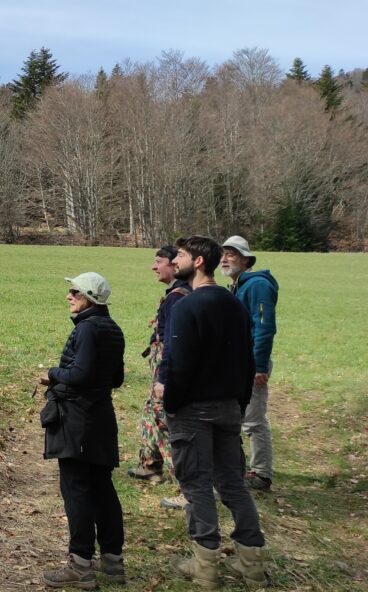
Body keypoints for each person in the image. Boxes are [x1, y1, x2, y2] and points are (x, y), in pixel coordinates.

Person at [161, 235, 266, 588]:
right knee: (233, 483)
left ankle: (206, 567)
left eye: (180, 256)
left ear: (199, 262)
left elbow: (178, 364)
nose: (174, 261)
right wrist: (238, 403)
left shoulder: (187, 307)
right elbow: (248, 360)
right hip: (228, 408)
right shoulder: (234, 304)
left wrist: (171, 403)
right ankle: (251, 563)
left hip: (193, 409)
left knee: (196, 485)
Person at [40, 272, 126, 589]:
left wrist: (51, 373)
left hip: (78, 419)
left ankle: (80, 565)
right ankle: (113, 562)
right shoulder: (113, 328)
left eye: (74, 291)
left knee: (76, 490)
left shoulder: (88, 329)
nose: (68, 296)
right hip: (102, 416)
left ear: (88, 297)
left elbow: (80, 373)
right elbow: (115, 379)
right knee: (103, 489)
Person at [128, 245, 190, 490]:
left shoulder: (179, 297)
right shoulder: (176, 294)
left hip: (167, 369)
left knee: (162, 416)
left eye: (158, 261)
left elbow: (173, 342)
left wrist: (164, 378)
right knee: (150, 412)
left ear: (174, 264)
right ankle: (151, 464)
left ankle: (185, 482)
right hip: (162, 368)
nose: (154, 267)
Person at [221, 235, 279, 492]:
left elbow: (265, 327)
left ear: (246, 260)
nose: (225, 259)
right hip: (239, 364)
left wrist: (260, 365)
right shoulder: (238, 285)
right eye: (223, 254)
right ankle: (248, 468)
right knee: (242, 417)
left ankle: (262, 474)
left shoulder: (257, 286)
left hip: (252, 364)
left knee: (254, 420)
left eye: (231, 254)